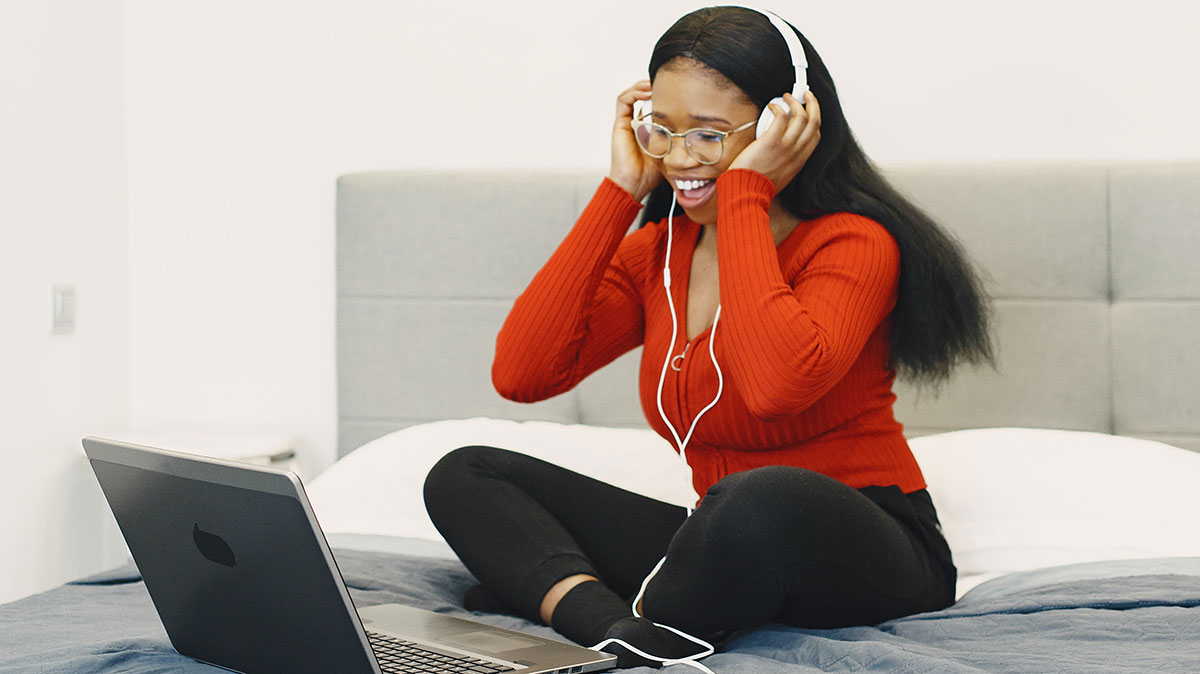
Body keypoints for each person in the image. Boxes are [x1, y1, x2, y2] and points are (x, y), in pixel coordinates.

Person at [424, 5, 991, 669]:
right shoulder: (659, 254)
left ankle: (617, 610)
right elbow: (523, 374)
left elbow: (775, 386)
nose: (680, 159)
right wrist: (618, 193)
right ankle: (619, 630)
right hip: (720, 541)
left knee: (760, 495)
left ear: (787, 125)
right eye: (661, 131)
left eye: (710, 136)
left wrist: (745, 193)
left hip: (865, 544)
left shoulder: (854, 244)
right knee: (464, 473)